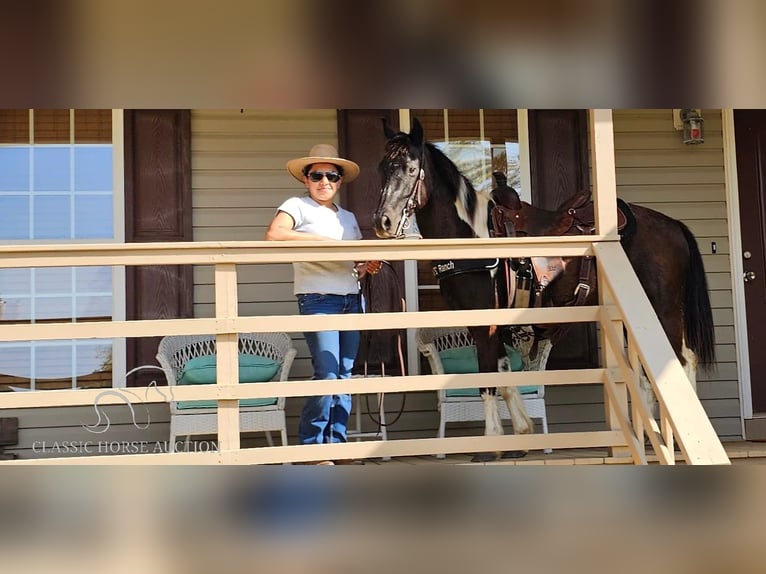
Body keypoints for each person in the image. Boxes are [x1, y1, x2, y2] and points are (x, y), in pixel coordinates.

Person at [265, 143, 378, 462]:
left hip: (351, 298)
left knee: (344, 375)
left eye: (332, 175)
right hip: (318, 298)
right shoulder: (296, 206)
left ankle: (337, 444)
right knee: (327, 373)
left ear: (340, 180)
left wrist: (364, 264)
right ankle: (314, 447)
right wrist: (325, 242)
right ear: (306, 179)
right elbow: (274, 235)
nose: (324, 181)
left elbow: (352, 260)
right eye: (317, 175)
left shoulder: (349, 218)